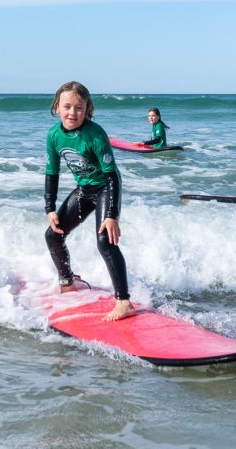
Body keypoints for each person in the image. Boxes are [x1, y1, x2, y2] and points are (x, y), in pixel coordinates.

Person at [43, 81, 136, 322]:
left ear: (87, 109)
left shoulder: (95, 134)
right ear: (57, 106)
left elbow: (111, 174)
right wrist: (49, 208)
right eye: (67, 106)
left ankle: (124, 301)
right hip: (84, 190)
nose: (72, 112)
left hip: (106, 188)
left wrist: (112, 214)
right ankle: (67, 282)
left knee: (106, 242)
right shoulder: (54, 135)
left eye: (79, 108)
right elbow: (51, 172)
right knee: (53, 234)